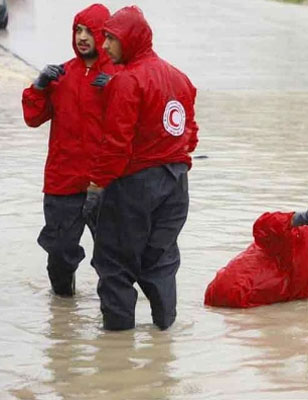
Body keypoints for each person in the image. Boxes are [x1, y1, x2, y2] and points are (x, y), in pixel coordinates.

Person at [87, 6, 199, 330]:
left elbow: (115, 145)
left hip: (134, 185)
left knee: (115, 265)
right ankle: (164, 343)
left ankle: (117, 354)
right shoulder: (181, 78)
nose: (104, 46)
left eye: (110, 38)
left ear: (130, 39)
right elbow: (190, 134)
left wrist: (96, 187)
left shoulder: (127, 81)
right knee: (161, 263)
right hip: (177, 184)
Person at [21, 3, 118, 297]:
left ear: (106, 36)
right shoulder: (60, 75)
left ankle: (113, 321)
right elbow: (33, 119)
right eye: (78, 30)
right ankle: (63, 318)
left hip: (106, 184)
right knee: (60, 254)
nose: (83, 37)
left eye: (90, 31)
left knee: (113, 257)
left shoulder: (121, 75)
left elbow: (139, 126)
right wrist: (38, 87)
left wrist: (117, 87)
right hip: (63, 182)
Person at [204, 208, 308, 308]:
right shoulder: (304, 237)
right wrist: (298, 218)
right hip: (230, 295)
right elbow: (261, 228)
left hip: (248, 308)